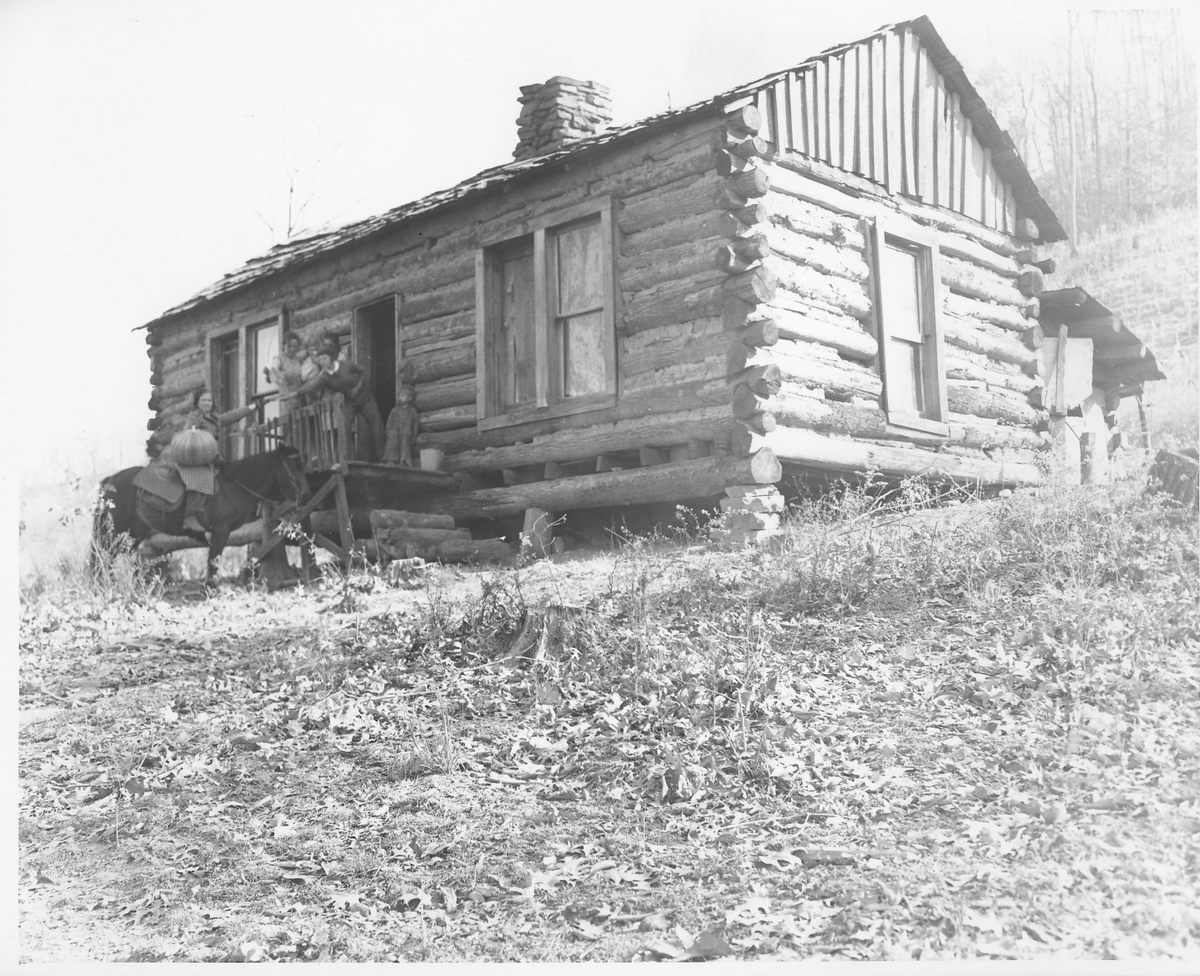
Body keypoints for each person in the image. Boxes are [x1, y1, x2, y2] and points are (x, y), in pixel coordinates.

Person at [284, 342, 385, 462]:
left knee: (376, 426)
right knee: (344, 427)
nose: (322, 361)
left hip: (365, 398)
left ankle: (383, 457)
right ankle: (345, 460)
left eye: (324, 358)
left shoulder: (345, 365)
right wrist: (295, 393)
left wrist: (359, 385)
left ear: (331, 358)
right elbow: (310, 386)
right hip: (349, 401)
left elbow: (362, 370)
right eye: (320, 359)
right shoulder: (325, 376)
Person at [175, 389, 259, 533]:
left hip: (211, 458)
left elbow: (231, 416)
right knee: (200, 485)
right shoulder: (195, 418)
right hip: (197, 459)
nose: (207, 403)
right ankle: (189, 518)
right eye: (203, 400)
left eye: (209, 400)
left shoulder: (213, 418)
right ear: (197, 403)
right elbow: (190, 438)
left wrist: (251, 408)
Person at [382, 384, 419, 466]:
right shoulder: (395, 410)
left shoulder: (412, 411)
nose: (400, 398)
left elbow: (415, 424)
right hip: (395, 430)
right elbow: (390, 421)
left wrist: (414, 436)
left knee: (405, 442)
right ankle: (391, 460)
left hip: (406, 431)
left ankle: (404, 461)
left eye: (403, 396)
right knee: (393, 440)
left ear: (410, 398)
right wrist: (389, 430)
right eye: (399, 396)